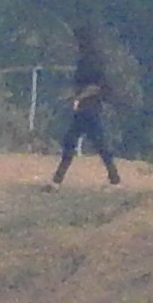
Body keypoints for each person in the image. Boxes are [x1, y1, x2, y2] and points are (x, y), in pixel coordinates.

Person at [48, 26, 123, 187]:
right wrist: (71, 97)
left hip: (90, 109)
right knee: (76, 142)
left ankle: (114, 180)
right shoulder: (86, 61)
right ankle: (57, 180)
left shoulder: (91, 62)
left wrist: (78, 98)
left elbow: (96, 87)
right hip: (85, 109)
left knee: (96, 144)